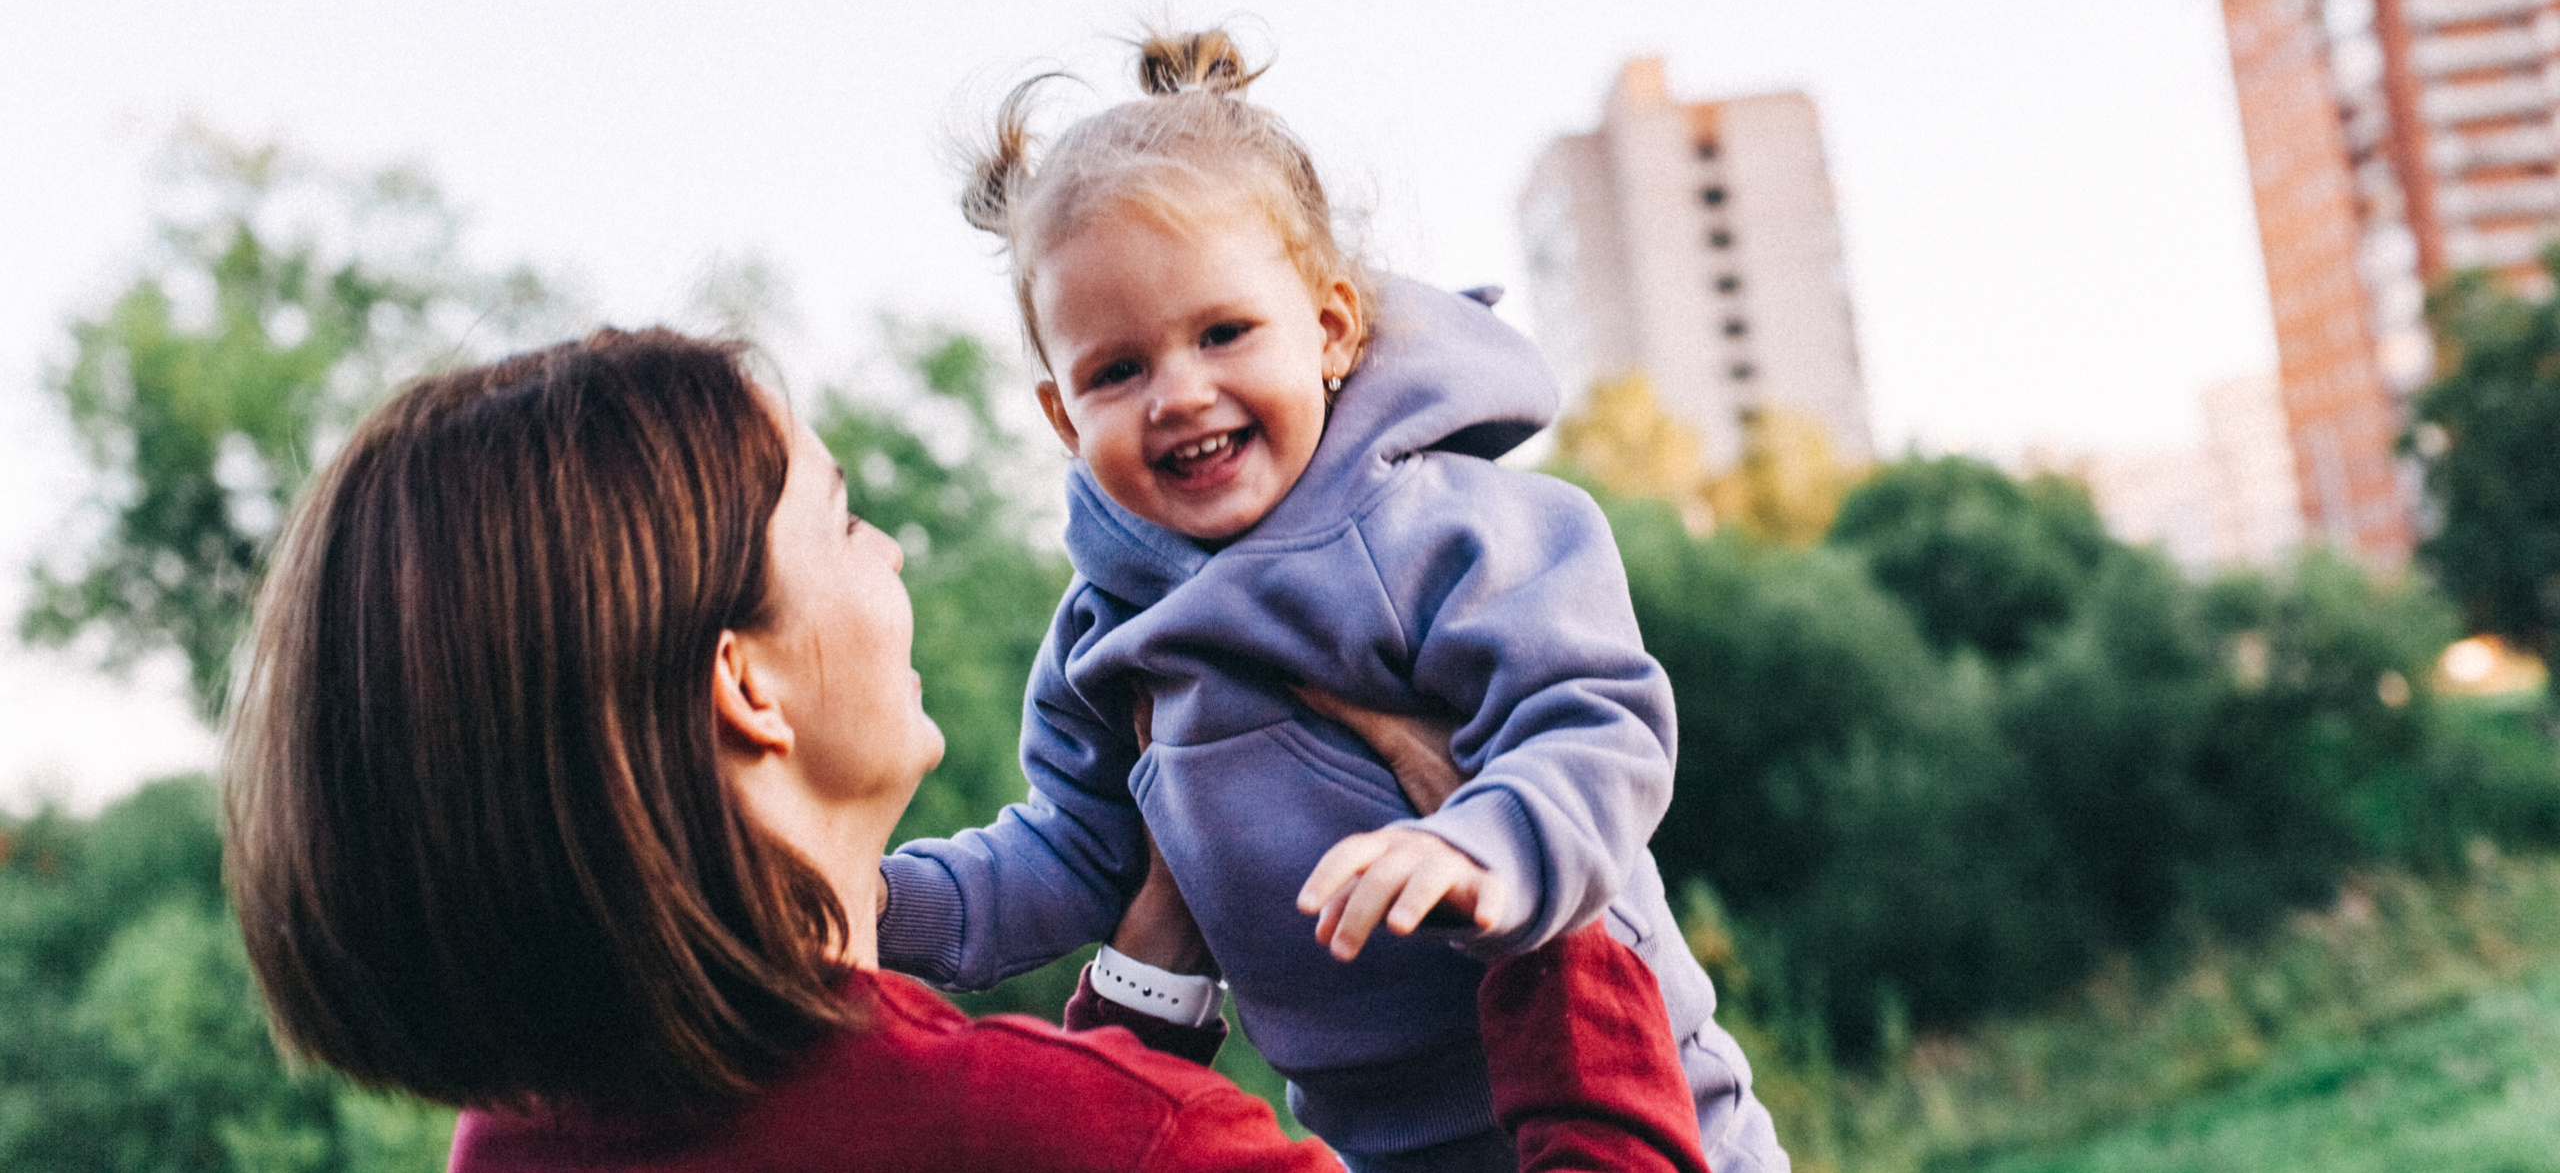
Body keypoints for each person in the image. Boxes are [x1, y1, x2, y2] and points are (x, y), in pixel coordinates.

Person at [221, 326, 1713, 1172]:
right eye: (838, 521)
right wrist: (1543, 907)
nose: (887, 554)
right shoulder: (1135, 1150)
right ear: (747, 685)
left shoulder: (520, 1140)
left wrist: (1151, 969)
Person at [879, 33, 1786, 1173]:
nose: (1179, 393)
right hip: (1382, 1144)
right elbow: (1075, 851)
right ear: (1062, 415)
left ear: (1331, 328)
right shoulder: (1105, 633)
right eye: (1117, 370)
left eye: (1223, 333)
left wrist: (1481, 842)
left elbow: (1597, 728)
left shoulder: (1448, 528)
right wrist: (875, 907)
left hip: (1643, 1100)